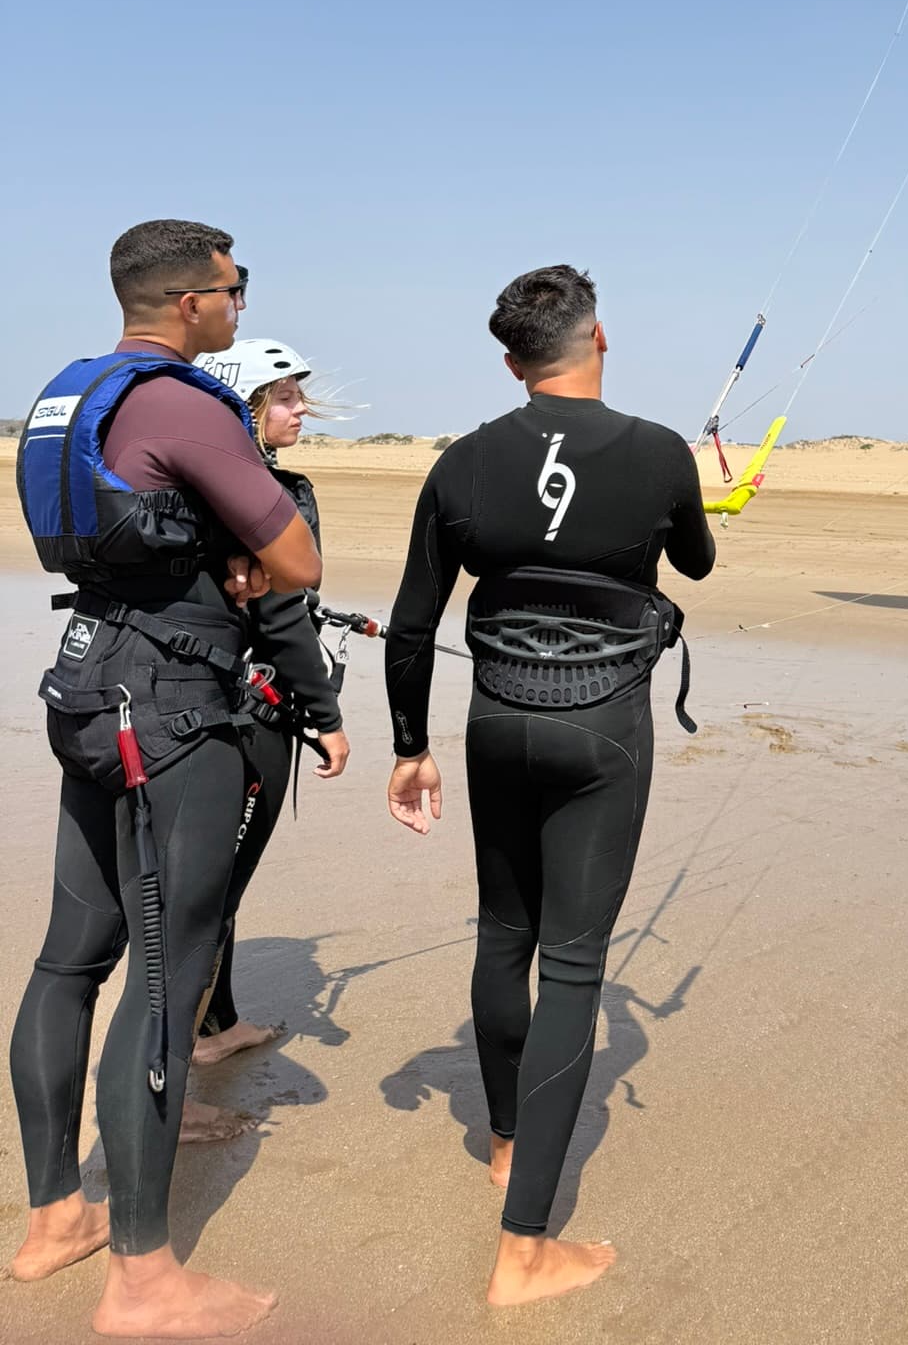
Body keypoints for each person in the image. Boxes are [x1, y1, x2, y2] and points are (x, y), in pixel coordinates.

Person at [9, 221, 323, 1340]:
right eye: (236, 288)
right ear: (190, 302)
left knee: (66, 957)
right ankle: (144, 1278)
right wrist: (240, 555)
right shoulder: (185, 398)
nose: (241, 302)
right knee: (163, 975)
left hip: (88, 684)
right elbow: (298, 560)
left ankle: (54, 1219)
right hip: (173, 707)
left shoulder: (73, 391)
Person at [384, 265, 715, 1308]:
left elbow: (410, 621)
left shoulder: (464, 460)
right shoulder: (659, 450)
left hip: (496, 719)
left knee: (502, 934)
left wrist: (408, 743)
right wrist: (711, 490)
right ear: (598, 336)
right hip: (601, 726)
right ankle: (524, 1245)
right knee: (574, 969)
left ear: (513, 357)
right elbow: (696, 563)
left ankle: (505, 1140)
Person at [190, 340, 351, 1067]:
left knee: (205, 882)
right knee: (215, 887)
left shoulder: (190, 482)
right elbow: (283, 618)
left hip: (195, 703)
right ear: (245, 408)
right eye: (284, 399)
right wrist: (328, 718)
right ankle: (191, 1044)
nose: (301, 412)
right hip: (250, 714)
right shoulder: (263, 492)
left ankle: (215, 1022)